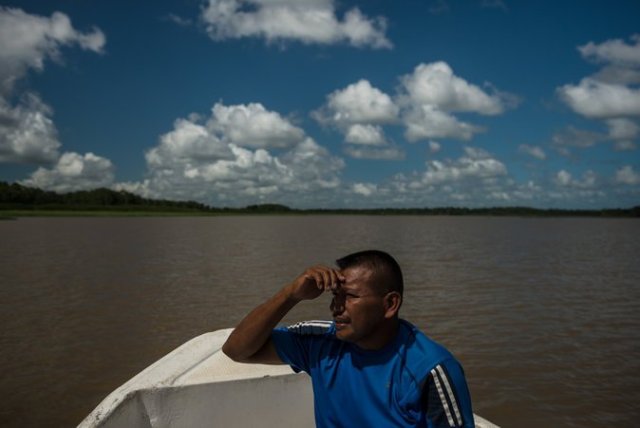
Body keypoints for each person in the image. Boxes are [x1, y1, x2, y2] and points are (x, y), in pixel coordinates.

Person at [222, 250, 474, 427]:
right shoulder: (321, 343)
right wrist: (291, 294)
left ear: (390, 304)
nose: (336, 307)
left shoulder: (428, 369)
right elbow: (237, 350)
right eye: (335, 296)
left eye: (350, 296)